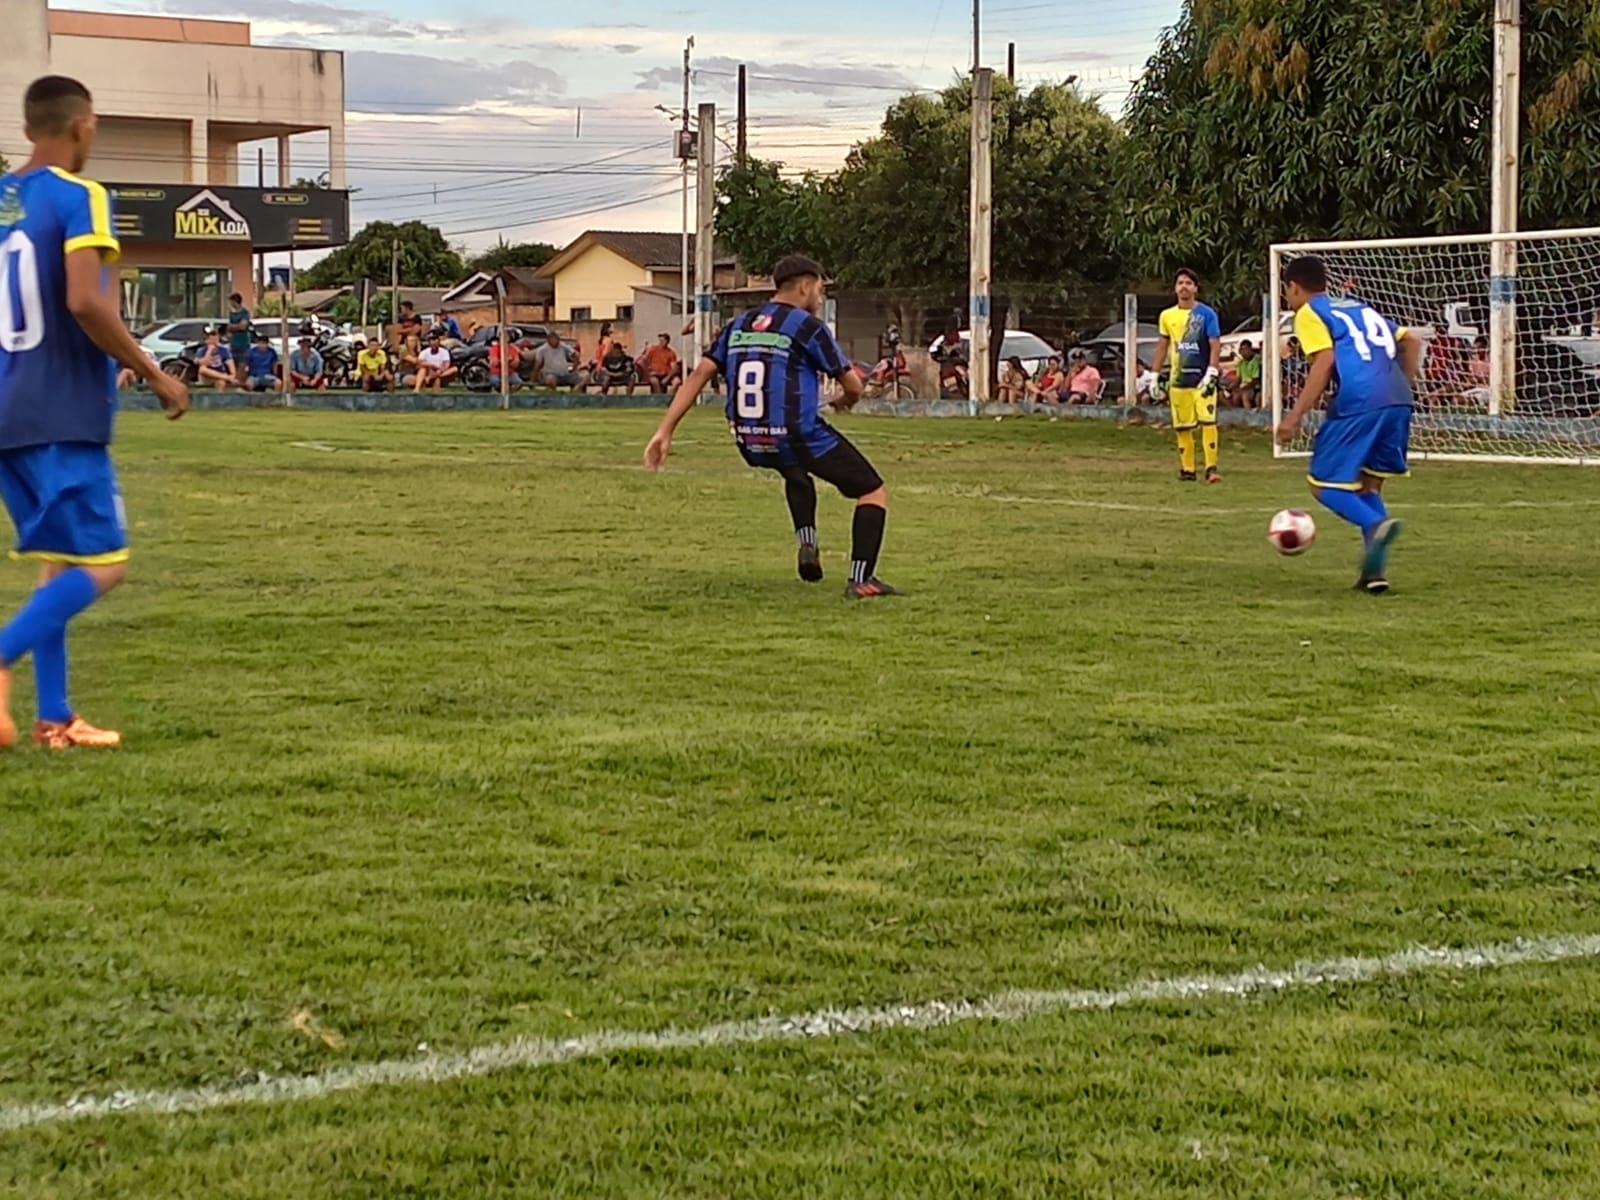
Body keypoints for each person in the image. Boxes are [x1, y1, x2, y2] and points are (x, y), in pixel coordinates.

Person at [0, 74, 190, 750]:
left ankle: (55, 718)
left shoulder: (2, 202)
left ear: (29, 129)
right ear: (84, 126)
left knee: (57, 563)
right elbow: (86, 301)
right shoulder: (82, 197)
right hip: (61, 412)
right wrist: (153, 372)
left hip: (7, 414)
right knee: (104, 566)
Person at [644, 254, 900, 599]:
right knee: (871, 490)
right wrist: (846, 401)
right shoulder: (808, 327)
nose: (820, 299)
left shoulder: (740, 324)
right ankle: (862, 580)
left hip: (750, 438)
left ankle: (807, 544)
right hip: (796, 433)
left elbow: (699, 375)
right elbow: (853, 384)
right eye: (820, 291)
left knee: (795, 471)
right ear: (805, 287)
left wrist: (665, 430)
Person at [1276, 254, 1421, 595]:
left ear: (1293, 287)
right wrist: (1402, 384)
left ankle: (1376, 523)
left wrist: (1294, 416)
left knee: (1323, 484)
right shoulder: (1358, 306)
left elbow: (1324, 360)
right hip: (1397, 398)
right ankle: (1374, 575)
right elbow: (1411, 340)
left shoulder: (1309, 312)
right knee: (1368, 487)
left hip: (1359, 399)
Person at [1151, 268, 1223, 482]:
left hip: (1202, 379)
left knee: (1208, 421)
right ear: (1175, 288)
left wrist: (1212, 370)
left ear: (1195, 288)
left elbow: (1215, 344)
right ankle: (1187, 470)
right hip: (1178, 380)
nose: (1184, 286)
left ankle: (1211, 468)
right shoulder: (1167, 316)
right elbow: (1163, 345)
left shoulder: (1206, 314)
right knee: (1182, 426)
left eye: (1189, 283)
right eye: (1180, 282)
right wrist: (1154, 374)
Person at [225, 291, 251, 385]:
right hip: (233, 343)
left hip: (243, 342)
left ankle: (240, 382)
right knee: (233, 362)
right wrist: (235, 327)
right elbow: (228, 327)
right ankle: (234, 380)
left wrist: (233, 327)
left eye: (231, 301)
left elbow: (243, 326)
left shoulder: (244, 312)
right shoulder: (231, 314)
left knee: (242, 363)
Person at [1233, 340, 1263, 408]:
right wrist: (1231, 387)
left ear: (1250, 350)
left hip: (1252, 388)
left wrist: (1244, 387)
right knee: (1235, 397)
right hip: (1243, 387)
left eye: (1246, 349)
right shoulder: (1240, 363)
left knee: (1245, 396)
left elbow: (1255, 380)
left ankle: (1248, 415)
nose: (1244, 352)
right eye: (1242, 350)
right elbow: (1238, 379)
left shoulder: (1254, 362)